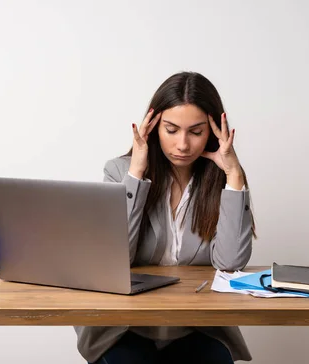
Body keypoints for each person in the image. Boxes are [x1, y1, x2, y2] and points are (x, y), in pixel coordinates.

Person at [73, 71, 256, 364]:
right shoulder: (119, 172)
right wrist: (136, 174)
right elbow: (116, 258)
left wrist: (234, 175)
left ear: (212, 132)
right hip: (124, 328)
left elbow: (230, 263)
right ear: (154, 127)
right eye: (171, 130)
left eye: (196, 132)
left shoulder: (221, 181)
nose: (183, 144)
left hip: (195, 327)